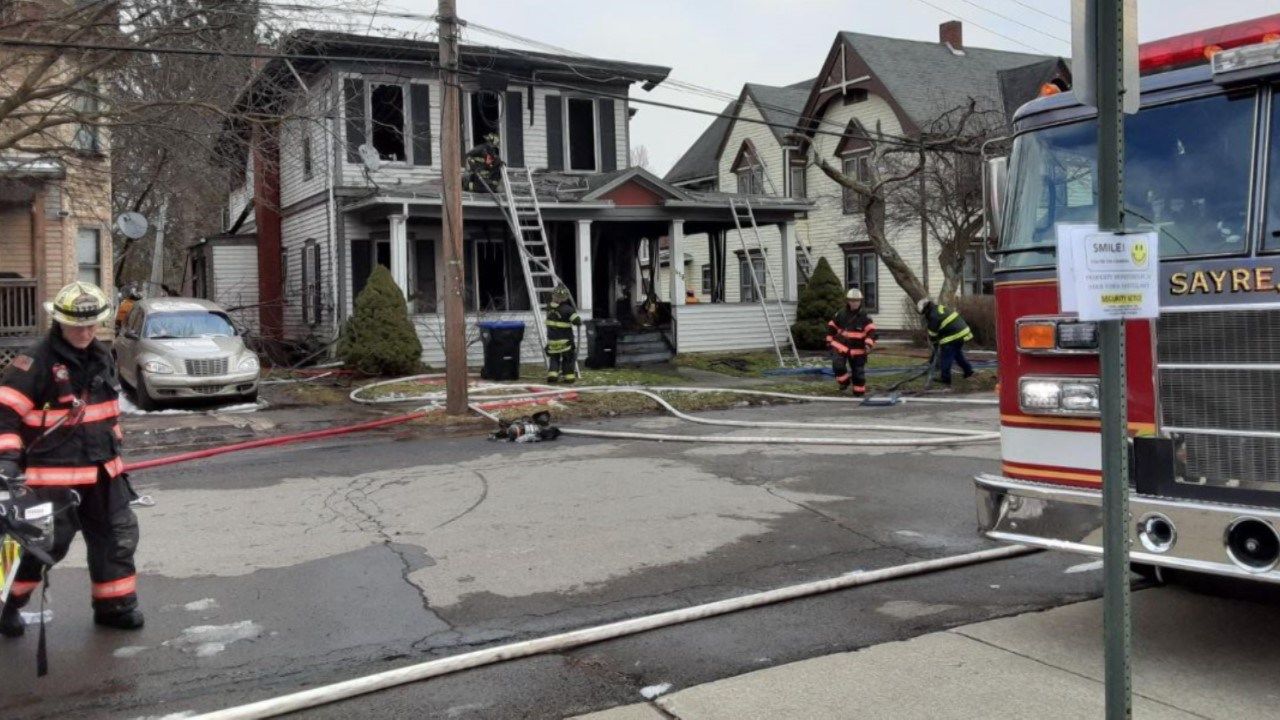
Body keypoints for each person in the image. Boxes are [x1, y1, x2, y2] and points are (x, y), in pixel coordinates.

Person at [0, 281, 143, 637]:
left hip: (103, 472)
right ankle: (4, 604)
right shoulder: (33, 363)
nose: (85, 331)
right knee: (37, 546)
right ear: (59, 322)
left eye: (92, 324)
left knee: (117, 537)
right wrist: (6, 462)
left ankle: (115, 605)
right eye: (77, 325)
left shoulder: (101, 356)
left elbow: (108, 415)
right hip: (51, 478)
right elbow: (4, 416)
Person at [826, 288, 877, 396]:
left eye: (857, 300)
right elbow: (832, 326)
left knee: (858, 374)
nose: (854, 303)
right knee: (838, 366)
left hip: (858, 350)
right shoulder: (840, 314)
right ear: (848, 301)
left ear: (860, 301)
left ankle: (858, 393)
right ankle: (844, 382)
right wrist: (829, 341)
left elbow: (871, 332)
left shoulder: (865, 317)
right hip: (841, 346)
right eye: (852, 300)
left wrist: (868, 344)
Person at [917, 298, 974, 387]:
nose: (924, 315)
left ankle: (945, 379)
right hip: (963, 332)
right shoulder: (938, 308)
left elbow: (933, 335)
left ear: (926, 309)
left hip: (954, 335)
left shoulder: (933, 316)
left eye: (924, 313)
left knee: (946, 357)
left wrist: (935, 347)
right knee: (957, 354)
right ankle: (968, 371)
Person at [545, 285, 581, 384]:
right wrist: (573, 311)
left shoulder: (548, 308)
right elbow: (577, 321)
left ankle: (552, 375)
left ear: (553, 296)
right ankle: (569, 378)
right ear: (565, 298)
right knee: (568, 359)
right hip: (565, 342)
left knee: (554, 359)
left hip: (552, 341)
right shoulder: (568, 309)